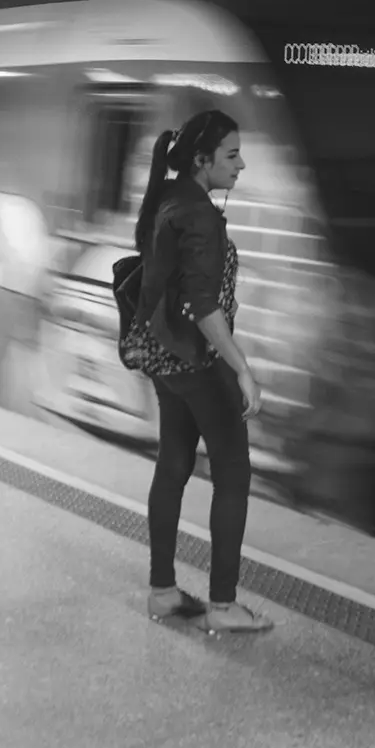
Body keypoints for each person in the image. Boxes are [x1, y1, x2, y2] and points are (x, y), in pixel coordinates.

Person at [134, 110, 273, 635]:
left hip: (166, 359)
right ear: (201, 160)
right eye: (232, 155)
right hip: (199, 359)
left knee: (173, 463)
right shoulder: (200, 217)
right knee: (234, 471)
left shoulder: (169, 202)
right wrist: (242, 370)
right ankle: (222, 605)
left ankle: (163, 592)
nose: (241, 165)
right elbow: (202, 304)